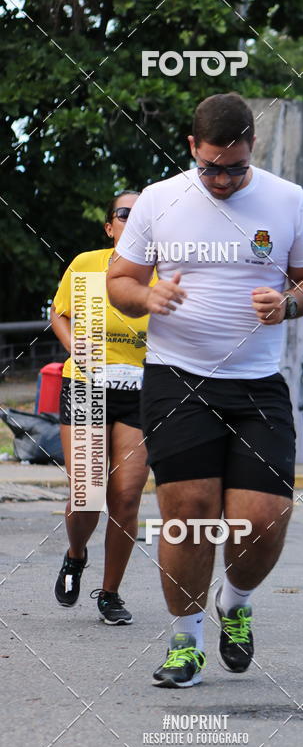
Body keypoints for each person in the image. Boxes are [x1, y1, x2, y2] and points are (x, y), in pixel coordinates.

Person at [106, 93, 303, 688]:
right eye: (210, 168)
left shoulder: (288, 200)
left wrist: (287, 304)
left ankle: (235, 601)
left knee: (262, 521)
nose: (222, 180)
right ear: (191, 149)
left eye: (234, 167)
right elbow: (120, 281)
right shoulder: (159, 200)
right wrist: (146, 296)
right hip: (176, 377)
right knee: (188, 514)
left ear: (252, 146)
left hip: (257, 384)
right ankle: (186, 642)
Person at [51, 191, 152, 625]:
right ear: (110, 226)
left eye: (142, 214)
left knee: (126, 496)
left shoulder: (164, 272)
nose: (133, 219)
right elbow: (59, 313)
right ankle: (76, 555)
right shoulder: (87, 264)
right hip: (87, 385)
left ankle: (109, 593)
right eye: (125, 214)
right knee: (87, 490)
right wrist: (74, 346)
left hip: (140, 392)